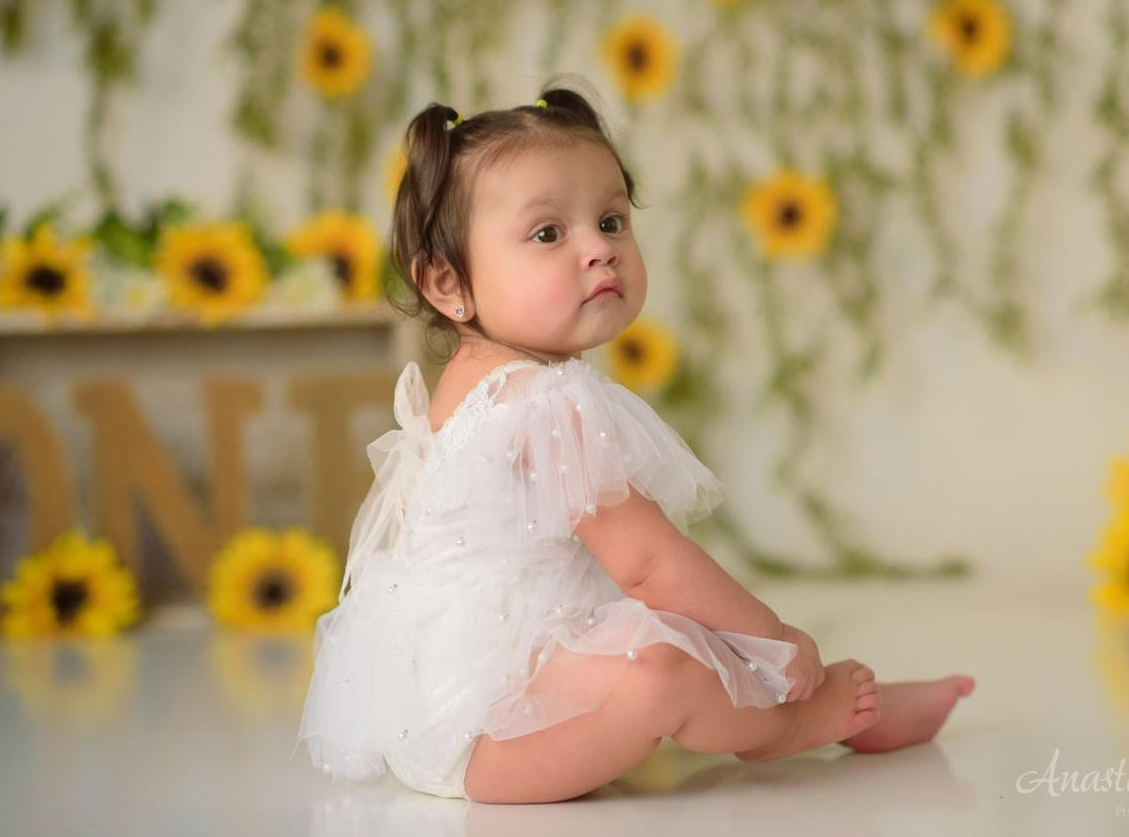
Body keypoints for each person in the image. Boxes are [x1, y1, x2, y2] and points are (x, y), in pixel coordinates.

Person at [296, 80, 976, 804]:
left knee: (678, 628)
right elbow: (648, 560)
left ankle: (828, 709)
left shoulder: (473, 379)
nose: (600, 251)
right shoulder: (549, 401)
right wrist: (775, 636)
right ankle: (794, 722)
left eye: (613, 220)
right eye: (548, 233)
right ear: (447, 282)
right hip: (491, 743)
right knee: (665, 657)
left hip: (432, 711)